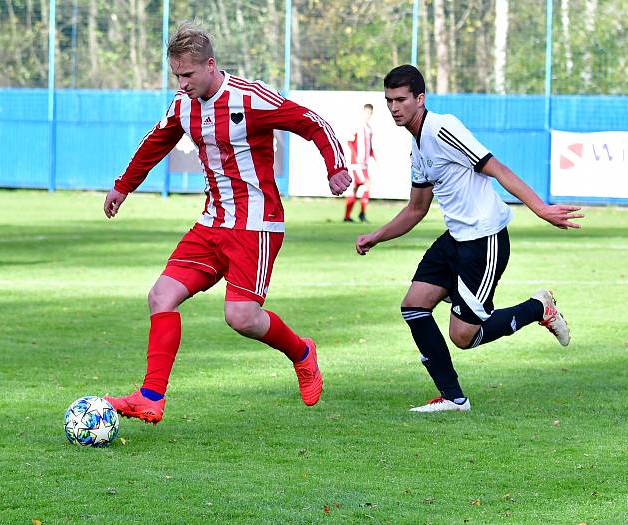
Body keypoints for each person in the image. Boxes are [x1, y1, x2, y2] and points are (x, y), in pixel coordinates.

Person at [102, 22, 351, 424]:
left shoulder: (249, 98)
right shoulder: (183, 104)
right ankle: (151, 397)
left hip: (256, 225)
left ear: (210, 65)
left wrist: (335, 165)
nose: (181, 84)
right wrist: (122, 187)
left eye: (187, 75)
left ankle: (302, 353)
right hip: (211, 223)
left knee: (241, 318)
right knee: (160, 297)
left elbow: (310, 121)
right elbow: (154, 143)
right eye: (176, 76)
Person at [355, 65, 583, 413]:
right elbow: (416, 209)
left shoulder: (443, 128)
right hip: (456, 239)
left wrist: (540, 209)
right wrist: (376, 235)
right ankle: (453, 398)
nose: (394, 108)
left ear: (420, 98)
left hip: (484, 239)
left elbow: (498, 168)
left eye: (401, 99)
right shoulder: (416, 147)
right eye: (389, 100)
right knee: (414, 305)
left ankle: (539, 307)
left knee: (464, 337)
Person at [344, 104, 376, 223]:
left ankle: (347, 217)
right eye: (366, 112)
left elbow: (369, 146)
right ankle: (362, 214)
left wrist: (373, 156)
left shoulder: (369, 129)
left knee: (355, 188)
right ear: (363, 112)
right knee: (367, 184)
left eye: (370, 113)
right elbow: (349, 142)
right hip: (357, 164)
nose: (368, 115)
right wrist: (356, 156)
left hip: (364, 164)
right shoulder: (358, 127)